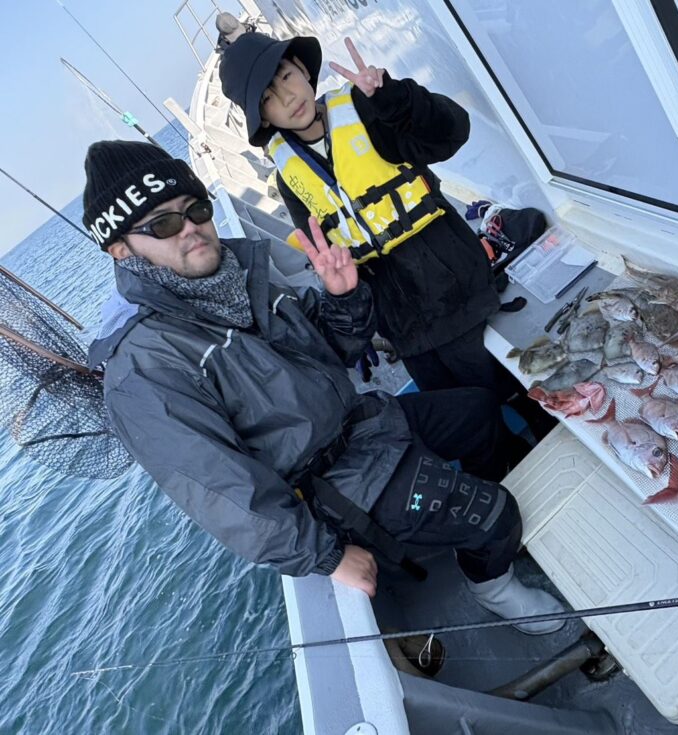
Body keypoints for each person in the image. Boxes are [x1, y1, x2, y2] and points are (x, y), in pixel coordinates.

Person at [84, 140, 564, 634]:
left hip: (365, 425)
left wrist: (345, 296)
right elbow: (223, 492)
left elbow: (331, 352)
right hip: (332, 489)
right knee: (497, 514)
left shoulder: (237, 276)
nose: (191, 229)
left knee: (480, 413)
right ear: (121, 249)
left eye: (197, 209)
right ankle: (493, 584)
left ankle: (477, 530)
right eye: (163, 224)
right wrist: (327, 556)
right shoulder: (140, 368)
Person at [217, 32, 556, 444]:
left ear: (304, 70)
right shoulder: (289, 177)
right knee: (466, 422)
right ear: (263, 118)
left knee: (520, 394)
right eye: (269, 97)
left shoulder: (366, 107)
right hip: (403, 327)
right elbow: (330, 252)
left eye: (286, 75)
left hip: (460, 296)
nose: (288, 97)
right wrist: (360, 323)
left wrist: (394, 98)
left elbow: (451, 133)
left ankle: (550, 433)